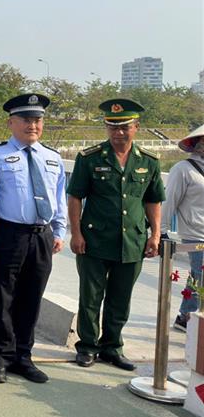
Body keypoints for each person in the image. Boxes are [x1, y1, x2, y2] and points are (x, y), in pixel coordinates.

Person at [67, 99, 165, 370]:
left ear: (136, 127)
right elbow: (75, 197)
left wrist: (155, 235)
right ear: (107, 128)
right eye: (112, 127)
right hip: (95, 240)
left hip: (132, 242)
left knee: (120, 299)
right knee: (90, 297)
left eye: (124, 127)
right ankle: (87, 346)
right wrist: (75, 234)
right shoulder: (90, 158)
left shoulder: (148, 161)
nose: (118, 133)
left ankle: (112, 346)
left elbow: (153, 201)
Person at [0, 94, 66, 385]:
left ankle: (23, 356)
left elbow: (59, 198)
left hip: (41, 236)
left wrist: (59, 231)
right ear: (11, 122)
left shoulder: (53, 158)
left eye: (37, 120)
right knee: (2, 297)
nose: (32, 125)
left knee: (32, 297)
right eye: (26, 120)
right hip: (9, 234)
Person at [164, 124, 204, 331]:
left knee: (198, 276)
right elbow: (169, 200)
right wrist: (161, 231)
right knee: (201, 275)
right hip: (196, 234)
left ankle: (185, 316)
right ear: (198, 144)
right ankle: (191, 318)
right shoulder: (183, 169)